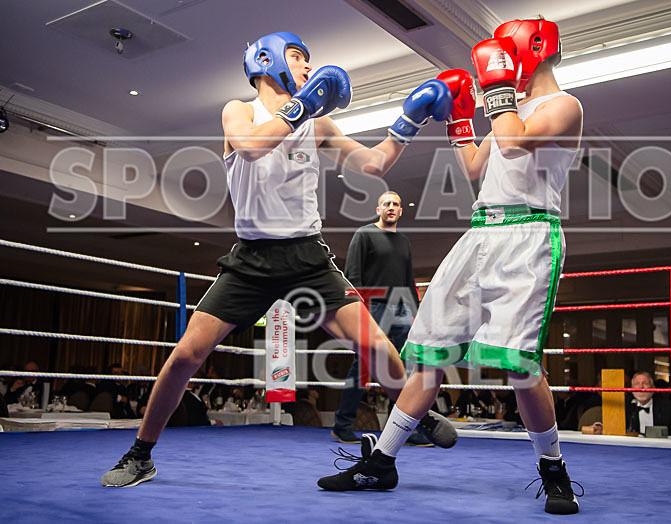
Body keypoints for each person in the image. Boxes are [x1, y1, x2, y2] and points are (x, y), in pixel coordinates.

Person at [101, 31, 457, 488]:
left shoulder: (319, 125)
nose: (308, 67)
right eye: (297, 57)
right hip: (251, 259)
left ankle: (414, 419)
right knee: (186, 355)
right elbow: (251, 146)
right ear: (265, 61)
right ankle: (140, 454)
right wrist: (301, 107)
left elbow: (373, 164)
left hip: (308, 254)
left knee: (374, 345)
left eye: (310, 61)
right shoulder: (239, 110)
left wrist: (408, 121)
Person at [318, 18, 585, 514]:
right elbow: (476, 166)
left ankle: (554, 469)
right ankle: (382, 462)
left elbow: (515, 143)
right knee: (430, 356)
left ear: (533, 49)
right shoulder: (515, 108)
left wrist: (497, 88)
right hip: (480, 235)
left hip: (529, 238)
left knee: (521, 367)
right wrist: (458, 118)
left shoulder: (564, 105)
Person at [331, 191, 431, 446]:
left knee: (406, 368)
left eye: (396, 204)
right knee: (363, 366)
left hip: (401, 310)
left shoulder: (404, 242)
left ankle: (405, 429)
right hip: (373, 306)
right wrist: (359, 309)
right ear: (378, 209)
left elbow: (409, 281)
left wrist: (416, 314)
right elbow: (353, 273)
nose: (391, 207)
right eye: (386, 203)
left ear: (401, 211)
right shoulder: (364, 234)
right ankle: (342, 424)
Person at [625, 371, 671, 435]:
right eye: (637, 384)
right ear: (631, 389)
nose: (641, 387)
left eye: (645, 383)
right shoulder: (624, 407)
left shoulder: (668, 408)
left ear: (653, 388)